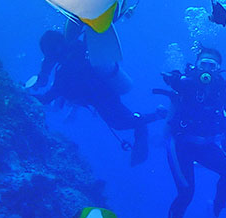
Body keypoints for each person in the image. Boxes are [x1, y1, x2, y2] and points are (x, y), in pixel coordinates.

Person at [29, 27, 163, 166]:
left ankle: (154, 117)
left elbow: (49, 96)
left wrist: (29, 97)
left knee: (119, 123)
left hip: (102, 97)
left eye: (48, 53)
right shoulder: (76, 50)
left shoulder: (64, 70)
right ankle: (142, 123)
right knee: (121, 121)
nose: (49, 57)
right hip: (105, 94)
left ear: (52, 51)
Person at [160, 47, 226, 218]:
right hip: (180, 146)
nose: (206, 69)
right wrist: (172, 78)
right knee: (187, 192)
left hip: (206, 146)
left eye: (211, 66)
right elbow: (176, 81)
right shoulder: (187, 81)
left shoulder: (220, 86)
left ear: (218, 69)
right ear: (196, 65)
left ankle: (215, 211)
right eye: (203, 64)